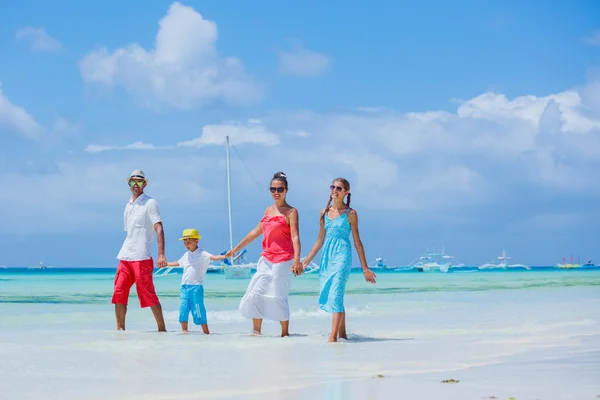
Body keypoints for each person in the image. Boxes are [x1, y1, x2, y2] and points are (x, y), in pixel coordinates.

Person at [226, 171, 303, 337]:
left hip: (283, 259)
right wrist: (236, 249)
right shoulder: (268, 210)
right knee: (256, 293)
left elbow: (295, 236)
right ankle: (256, 331)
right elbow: (255, 232)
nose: (276, 192)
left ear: (286, 190)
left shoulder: (291, 212)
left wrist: (297, 260)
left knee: (277, 295)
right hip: (266, 258)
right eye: (273, 189)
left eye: (280, 189)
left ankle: (285, 333)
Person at [302, 178, 376, 342]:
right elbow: (319, 241)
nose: (335, 189)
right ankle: (343, 336)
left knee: (336, 293)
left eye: (339, 188)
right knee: (334, 294)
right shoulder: (324, 213)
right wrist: (305, 262)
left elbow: (357, 242)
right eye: (333, 186)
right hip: (327, 257)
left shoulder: (351, 214)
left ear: (346, 192)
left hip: (343, 255)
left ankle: (332, 338)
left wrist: (365, 269)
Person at [112, 170, 167, 332]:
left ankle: (162, 330)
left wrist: (161, 254)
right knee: (118, 292)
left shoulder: (150, 203)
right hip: (125, 255)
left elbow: (158, 227)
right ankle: (120, 331)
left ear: (145, 184)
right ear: (128, 184)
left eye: (139, 182)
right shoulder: (128, 204)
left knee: (148, 294)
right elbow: (129, 232)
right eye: (132, 182)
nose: (136, 185)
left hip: (141, 257)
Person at [157, 228, 227, 333]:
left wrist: (226, 255)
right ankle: (184, 331)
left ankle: (206, 332)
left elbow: (215, 257)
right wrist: (165, 264)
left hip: (196, 287)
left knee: (198, 310)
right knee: (183, 310)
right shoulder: (186, 255)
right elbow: (178, 263)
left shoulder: (203, 254)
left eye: (189, 242)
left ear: (196, 241)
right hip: (184, 287)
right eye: (185, 242)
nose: (186, 245)